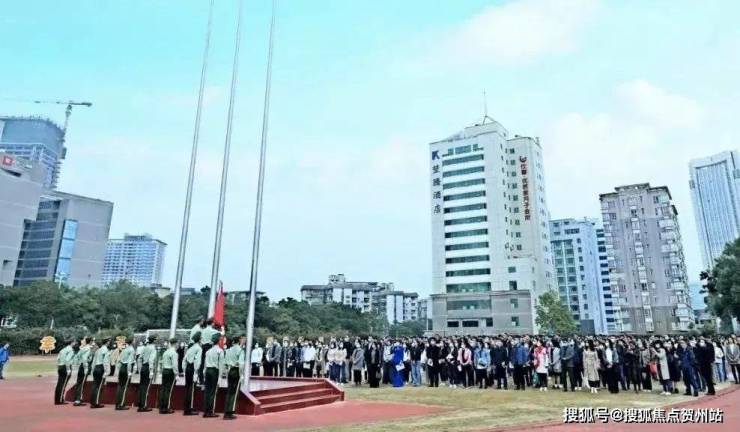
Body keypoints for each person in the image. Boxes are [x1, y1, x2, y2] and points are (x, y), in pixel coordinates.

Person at [223, 335, 246, 420]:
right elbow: (241, 364)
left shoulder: (228, 350)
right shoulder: (240, 350)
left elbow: (225, 362)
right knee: (234, 393)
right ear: (238, 341)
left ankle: (226, 411)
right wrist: (241, 375)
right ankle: (230, 412)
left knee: (229, 391)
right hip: (236, 371)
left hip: (230, 370)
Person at [202, 333, 225, 418]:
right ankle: (210, 411)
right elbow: (221, 365)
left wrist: (204, 373)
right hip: (214, 371)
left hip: (207, 370)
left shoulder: (208, 351)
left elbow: (205, 364)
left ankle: (206, 411)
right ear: (218, 341)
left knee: (207, 392)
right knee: (213, 392)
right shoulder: (220, 351)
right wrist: (220, 377)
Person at [182, 332, 202, 416]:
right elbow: (197, 361)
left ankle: (187, 407)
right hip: (193, 368)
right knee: (192, 388)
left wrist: (184, 369)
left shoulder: (190, 348)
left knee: (188, 388)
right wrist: (196, 372)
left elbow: (184, 360)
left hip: (188, 368)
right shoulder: (199, 348)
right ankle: (189, 408)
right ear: (199, 339)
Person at [137, 335, 158, 412]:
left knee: (142, 386)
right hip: (148, 368)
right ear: (154, 341)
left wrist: (139, 368)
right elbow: (151, 360)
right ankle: (144, 406)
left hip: (143, 367)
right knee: (146, 387)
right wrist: (151, 371)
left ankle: (140, 404)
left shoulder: (144, 348)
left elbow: (139, 359)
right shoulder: (153, 349)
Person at [158, 338, 179, 414]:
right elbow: (174, 365)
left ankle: (161, 407)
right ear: (175, 343)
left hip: (164, 370)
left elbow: (162, 362)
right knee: (168, 390)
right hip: (170, 371)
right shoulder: (174, 353)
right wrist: (176, 374)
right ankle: (166, 407)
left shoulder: (166, 352)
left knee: (163, 389)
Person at [89, 338, 112, 408]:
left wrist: (93, 369)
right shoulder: (106, 350)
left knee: (94, 386)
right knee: (99, 387)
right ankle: (96, 403)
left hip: (96, 367)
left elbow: (94, 361)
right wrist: (107, 371)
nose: (109, 343)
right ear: (107, 342)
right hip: (101, 367)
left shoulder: (98, 350)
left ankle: (93, 402)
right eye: (109, 341)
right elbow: (106, 361)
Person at [115, 337, 135, 410]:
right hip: (126, 368)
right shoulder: (131, 350)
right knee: (125, 387)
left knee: (120, 386)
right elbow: (129, 362)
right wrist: (129, 372)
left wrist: (118, 370)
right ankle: (121, 404)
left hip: (121, 368)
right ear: (132, 341)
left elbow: (119, 361)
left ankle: (117, 403)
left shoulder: (124, 349)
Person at [54, 339, 77, 405]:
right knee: (63, 384)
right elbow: (67, 360)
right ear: (71, 343)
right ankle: (60, 400)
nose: (75, 343)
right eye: (74, 342)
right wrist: (68, 369)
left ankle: (57, 399)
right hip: (65, 367)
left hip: (60, 366)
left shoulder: (63, 350)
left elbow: (58, 359)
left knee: (59, 384)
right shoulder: (70, 350)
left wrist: (58, 366)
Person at [72, 336, 92, 406]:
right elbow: (85, 359)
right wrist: (86, 368)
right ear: (90, 341)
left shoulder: (82, 348)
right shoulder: (88, 348)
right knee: (82, 383)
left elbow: (77, 356)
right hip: (84, 366)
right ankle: (78, 400)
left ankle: (76, 398)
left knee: (79, 382)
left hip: (81, 366)